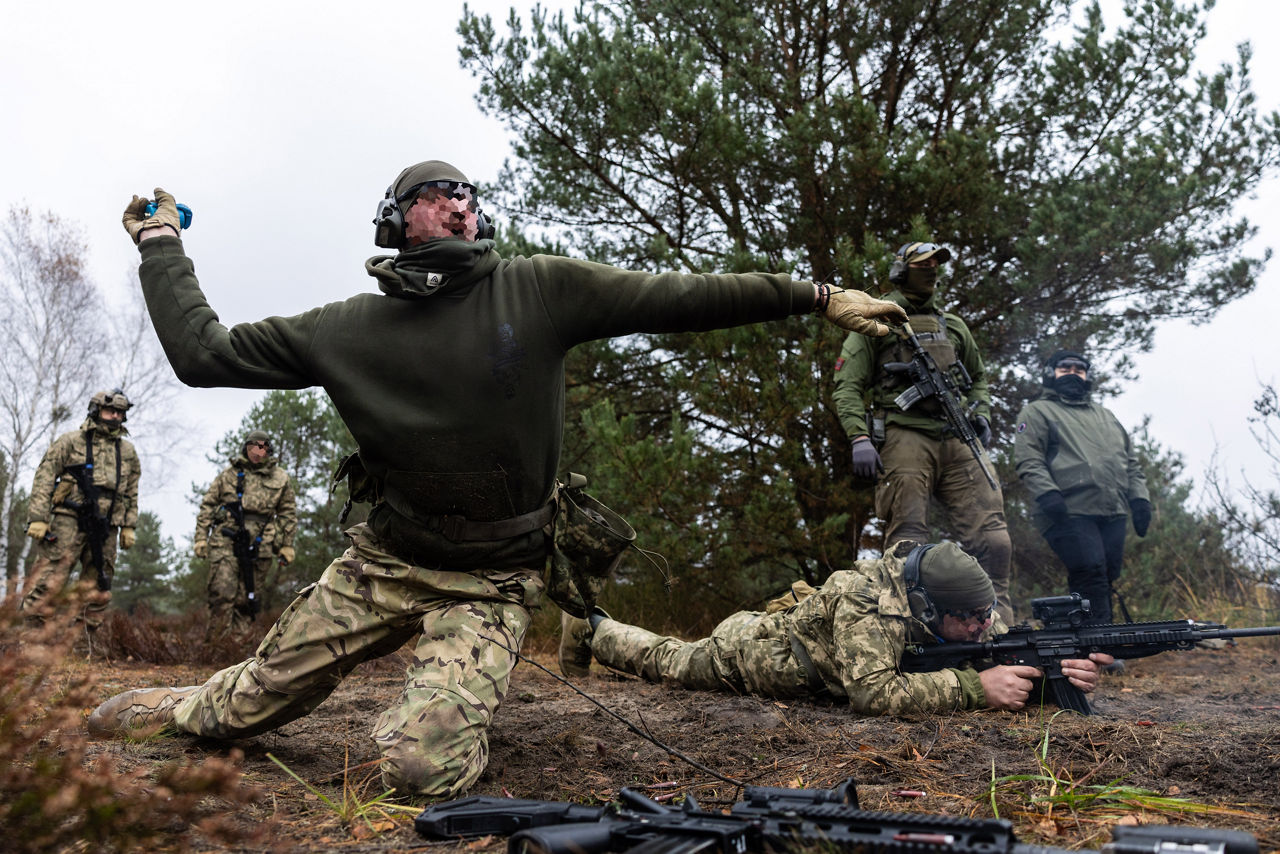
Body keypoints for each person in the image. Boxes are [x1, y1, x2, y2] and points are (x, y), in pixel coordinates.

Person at [87, 163, 909, 798]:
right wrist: (162, 246)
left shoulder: (537, 289)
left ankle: (446, 702)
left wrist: (816, 295)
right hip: (382, 563)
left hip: (490, 578)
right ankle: (185, 703)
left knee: (419, 772)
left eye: (468, 194)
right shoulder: (344, 329)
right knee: (242, 711)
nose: (459, 204)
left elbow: (679, 296)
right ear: (395, 219)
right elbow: (204, 356)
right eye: (437, 193)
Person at [588, 540, 1112, 714]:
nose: (982, 627)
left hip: (807, 653)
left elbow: (995, 649)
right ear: (929, 608)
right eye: (971, 619)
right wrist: (975, 688)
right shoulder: (869, 603)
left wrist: (1052, 673)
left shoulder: (966, 606)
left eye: (986, 614)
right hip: (754, 654)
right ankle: (594, 628)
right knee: (668, 660)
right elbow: (871, 693)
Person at [832, 239, 1013, 624]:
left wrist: (982, 412)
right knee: (907, 543)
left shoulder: (954, 326)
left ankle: (995, 628)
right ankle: (909, 633)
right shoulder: (876, 319)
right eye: (922, 263)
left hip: (956, 434)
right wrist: (859, 437)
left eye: (936, 263)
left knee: (993, 541)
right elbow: (847, 384)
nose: (931, 269)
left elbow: (978, 379)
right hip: (904, 435)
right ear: (901, 270)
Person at [1013, 349, 1151, 625]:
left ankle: (1091, 638)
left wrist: (1140, 499)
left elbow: (1130, 462)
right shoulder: (1037, 411)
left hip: (1112, 509)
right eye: (1065, 368)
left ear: (1087, 376)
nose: (1073, 373)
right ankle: (1098, 645)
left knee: (1107, 574)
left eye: (1080, 369)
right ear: (1050, 373)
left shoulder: (1106, 416)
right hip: (1066, 509)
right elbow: (1029, 459)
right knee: (1090, 570)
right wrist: (1048, 494)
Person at [21, 389, 141, 640]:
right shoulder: (71, 441)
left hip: (108, 523)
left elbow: (131, 490)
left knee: (99, 582)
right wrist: (39, 518)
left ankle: (84, 643)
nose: (115, 416)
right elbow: (44, 476)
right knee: (50, 577)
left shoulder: (128, 451)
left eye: (120, 412)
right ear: (96, 411)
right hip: (69, 517)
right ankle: (30, 640)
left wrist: (129, 525)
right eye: (110, 410)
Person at [194, 430, 297, 641]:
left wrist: (287, 544)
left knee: (247, 598)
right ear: (246, 447)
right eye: (253, 447)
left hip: (263, 542)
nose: (258, 452)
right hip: (227, 537)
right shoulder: (229, 474)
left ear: (269, 450)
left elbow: (287, 512)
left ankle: (236, 651)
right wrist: (201, 538)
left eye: (263, 447)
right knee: (222, 592)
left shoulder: (280, 478)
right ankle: (216, 648)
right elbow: (208, 505)